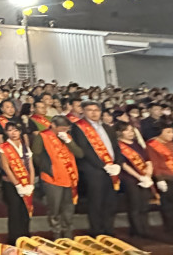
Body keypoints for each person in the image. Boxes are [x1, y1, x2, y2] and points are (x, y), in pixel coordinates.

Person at [70, 100, 123, 236]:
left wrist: (117, 163)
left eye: (96, 110)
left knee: (110, 202)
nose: (94, 113)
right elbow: (85, 150)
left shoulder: (108, 128)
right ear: (84, 111)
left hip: (112, 169)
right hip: (93, 170)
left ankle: (108, 230)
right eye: (90, 110)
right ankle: (97, 232)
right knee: (96, 202)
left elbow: (116, 147)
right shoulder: (78, 127)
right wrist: (103, 165)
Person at [31, 115, 82, 240]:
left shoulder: (67, 137)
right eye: (62, 128)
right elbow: (36, 155)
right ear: (53, 125)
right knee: (54, 207)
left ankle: (68, 230)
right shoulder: (42, 136)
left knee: (68, 206)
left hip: (70, 176)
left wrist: (69, 141)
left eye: (66, 129)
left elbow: (79, 154)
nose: (65, 131)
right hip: (52, 178)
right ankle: (56, 231)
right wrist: (47, 168)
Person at [147, 120, 173, 233]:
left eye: (172, 132)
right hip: (165, 178)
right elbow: (154, 162)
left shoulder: (171, 143)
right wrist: (159, 178)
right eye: (168, 132)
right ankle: (170, 228)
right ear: (160, 132)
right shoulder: (152, 144)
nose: (171, 135)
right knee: (168, 205)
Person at [115, 120, 154, 237]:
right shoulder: (119, 146)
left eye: (131, 130)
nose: (130, 133)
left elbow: (148, 160)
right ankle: (137, 230)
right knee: (135, 206)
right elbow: (124, 165)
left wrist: (148, 175)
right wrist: (139, 177)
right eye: (127, 130)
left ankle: (145, 228)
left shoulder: (137, 144)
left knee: (144, 205)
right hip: (130, 179)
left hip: (144, 178)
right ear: (120, 132)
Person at [0, 121, 33, 244]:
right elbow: (6, 167)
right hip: (11, 183)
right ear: (6, 132)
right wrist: (17, 184)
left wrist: (31, 183)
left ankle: (25, 236)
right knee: (14, 210)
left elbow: (31, 166)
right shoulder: (4, 147)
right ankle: (14, 238)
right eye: (10, 130)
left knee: (25, 210)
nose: (13, 133)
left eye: (16, 130)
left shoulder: (25, 146)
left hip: (26, 183)